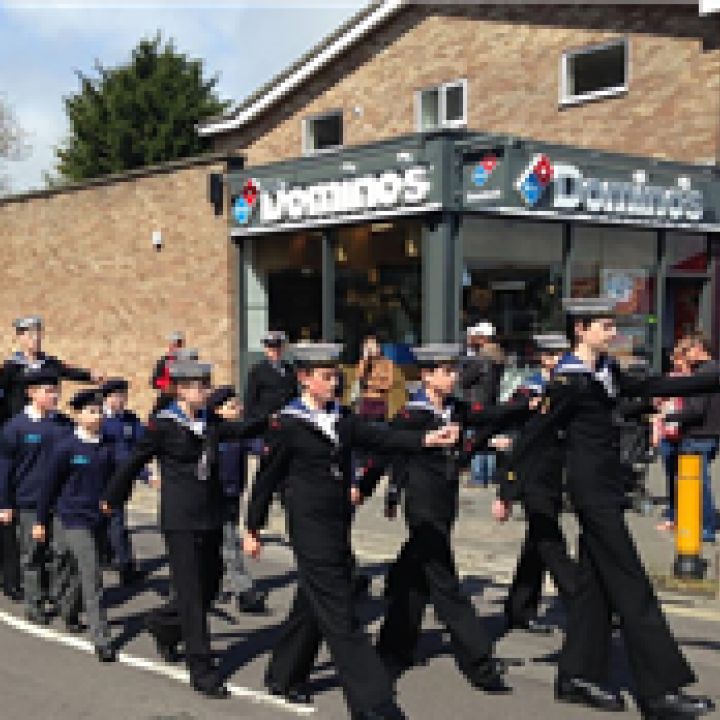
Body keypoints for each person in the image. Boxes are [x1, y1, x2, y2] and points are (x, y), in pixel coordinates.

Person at [513, 297, 717, 718]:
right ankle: (660, 692)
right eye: (605, 326)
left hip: (608, 487)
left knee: (595, 588)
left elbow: (649, 388)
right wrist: (509, 486)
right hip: (591, 494)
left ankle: (577, 676)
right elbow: (535, 433)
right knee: (632, 587)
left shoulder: (604, 373)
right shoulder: (568, 381)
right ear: (581, 330)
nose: (613, 332)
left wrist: (711, 380)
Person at [243, 342, 460, 720]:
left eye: (335, 376)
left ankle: (283, 674)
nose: (334, 382)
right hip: (309, 526)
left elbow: (382, 437)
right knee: (342, 615)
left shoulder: (341, 419)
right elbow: (265, 480)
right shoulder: (288, 424)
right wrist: (253, 527)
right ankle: (373, 704)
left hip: (338, 521)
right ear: (305, 379)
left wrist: (425, 439)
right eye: (326, 377)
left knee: (312, 602)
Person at [102, 359, 268, 699]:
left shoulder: (211, 423)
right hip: (179, 520)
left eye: (205, 385)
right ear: (179, 389)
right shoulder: (163, 426)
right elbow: (134, 461)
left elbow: (242, 429)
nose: (202, 391)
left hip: (210, 515)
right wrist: (113, 497)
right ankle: (202, 670)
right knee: (191, 596)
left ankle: (163, 625)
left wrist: (275, 421)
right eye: (195, 386)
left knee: (209, 587)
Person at [374, 344, 532, 695]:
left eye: (454, 370)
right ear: (427, 376)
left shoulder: (457, 409)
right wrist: (381, 492)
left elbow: (489, 415)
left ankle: (393, 648)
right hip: (422, 506)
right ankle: (479, 661)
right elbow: (387, 450)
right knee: (445, 584)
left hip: (446, 505)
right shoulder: (412, 416)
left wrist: (525, 402)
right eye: (445, 371)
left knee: (414, 579)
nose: (453, 377)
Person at [493, 333, 577, 635]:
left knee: (536, 544)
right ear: (543, 358)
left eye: (562, 355)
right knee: (551, 543)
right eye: (552, 355)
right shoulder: (531, 390)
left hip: (553, 475)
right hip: (530, 475)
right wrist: (506, 491)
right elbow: (517, 439)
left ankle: (519, 606)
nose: (558, 361)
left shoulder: (568, 388)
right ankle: (583, 607)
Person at [33, 388, 116, 662]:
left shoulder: (108, 444)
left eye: (100, 411)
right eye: (91, 411)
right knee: (92, 575)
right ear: (78, 416)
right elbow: (47, 488)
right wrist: (41, 521)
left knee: (81, 574)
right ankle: (101, 637)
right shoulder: (66, 448)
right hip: (72, 518)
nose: (98, 416)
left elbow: (123, 470)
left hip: (99, 519)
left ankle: (68, 610)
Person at [0, 367, 73, 622]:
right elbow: (5, 470)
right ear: (32, 393)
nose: (54, 395)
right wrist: (5, 504)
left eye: (56, 390)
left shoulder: (65, 425)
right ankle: (34, 604)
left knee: (62, 551)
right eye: (48, 391)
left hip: (60, 502)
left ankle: (59, 596)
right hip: (28, 502)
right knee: (32, 554)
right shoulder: (15, 428)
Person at [207, 385, 267, 614]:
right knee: (230, 543)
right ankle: (244, 592)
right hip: (214, 497)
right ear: (219, 411)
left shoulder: (240, 433)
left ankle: (213, 586)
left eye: (239, 405)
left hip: (233, 495)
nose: (239, 409)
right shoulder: (212, 433)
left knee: (220, 544)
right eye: (233, 407)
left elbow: (260, 447)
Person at [665, 332, 719, 544]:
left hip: (698, 433)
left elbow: (696, 410)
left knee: (696, 484)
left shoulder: (703, 374)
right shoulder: (712, 370)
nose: (684, 356)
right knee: (697, 482)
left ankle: (705, 528)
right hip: (707, 433)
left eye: (687, 351)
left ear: (699, 348)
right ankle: (702, 525)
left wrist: (667, 416)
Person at [1, 316, 102, 423]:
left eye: (38, 334)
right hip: (18, 420)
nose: (35, 339)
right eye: (30, 335)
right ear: (20, 337)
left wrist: (90, 376)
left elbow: (69, 372)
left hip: (46, 417)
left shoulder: (50, 362)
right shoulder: (11, 366)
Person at [100, 378, 148, 585]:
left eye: (123, 396)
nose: (120, 400)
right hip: (101, 479)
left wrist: (146, 474)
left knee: (115, 522)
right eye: (116, 396)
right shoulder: (97, 418)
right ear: (106, 398)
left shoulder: (130, 420)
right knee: (112, 523)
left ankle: (119, 561)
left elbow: (141, 448)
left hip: (122, 480)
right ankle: (124, 564)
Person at [652, 339, 690, 532]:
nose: (676, 361)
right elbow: (657, 403)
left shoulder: (693, 378)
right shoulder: (670, 378)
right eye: (674, 358)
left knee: (685, 478)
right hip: (669, 433)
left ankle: (684, 515)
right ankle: (674, 513)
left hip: (685, 433)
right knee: (671, 476)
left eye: (679, 357)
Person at [460, 322, 504, 486]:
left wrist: (468, 357)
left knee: (475, 437)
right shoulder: (497, 356)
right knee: (488, 437)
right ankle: (489, 475)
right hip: (491, 402)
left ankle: (478, 476)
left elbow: (464, 380)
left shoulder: (480, 359)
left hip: (476, 402)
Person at [243, 330, 297, 422]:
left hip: (287, 420)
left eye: (278, 347)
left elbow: (294, 395)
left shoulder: (290, 369)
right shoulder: (257, 371)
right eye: (271, 348)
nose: (275, 351)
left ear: (283, 348)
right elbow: (250, 400)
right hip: (265, 421)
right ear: (266, 349)